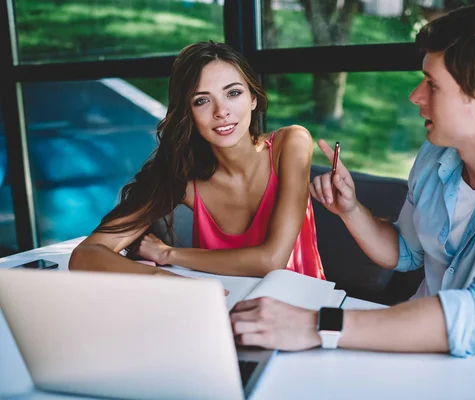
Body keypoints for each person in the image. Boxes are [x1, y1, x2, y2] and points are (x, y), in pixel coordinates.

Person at [229, 3, 475, 400]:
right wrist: (351, 210)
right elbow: (405, 253)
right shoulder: (437, 153)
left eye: (432, 84)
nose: (414, 96)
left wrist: (317, 324)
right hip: (407, 347)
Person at [69, 41, 325, 280]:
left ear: (253, 99)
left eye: (233, 93)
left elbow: (271, 261)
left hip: (308, 315)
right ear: (188, 113)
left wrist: (168, 254)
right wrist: (165, 280)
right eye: (202, 100)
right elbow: (85, 255)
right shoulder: (183, 179)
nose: (221, 112)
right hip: (225, 314)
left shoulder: (291, 143)